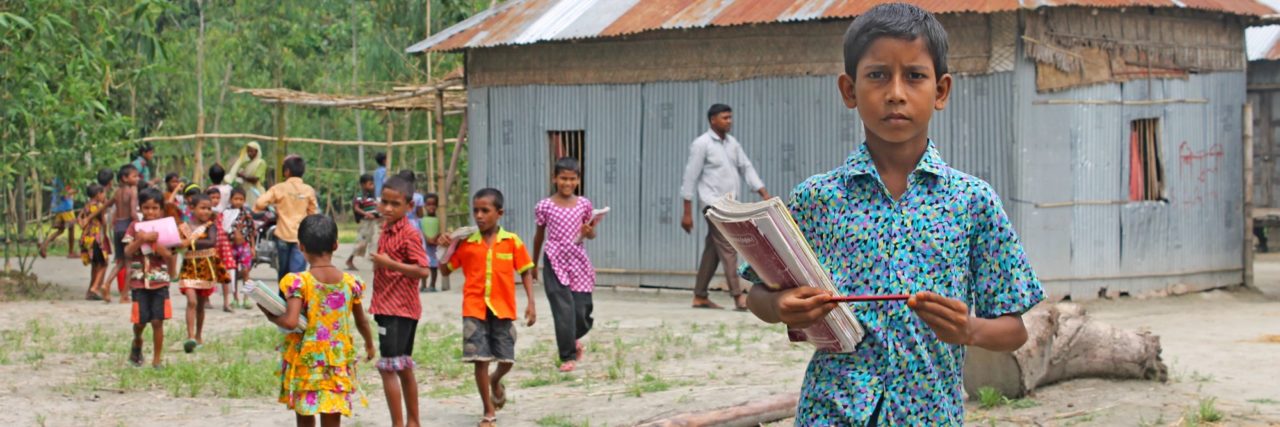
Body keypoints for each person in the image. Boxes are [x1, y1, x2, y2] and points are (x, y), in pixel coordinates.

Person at [742, 4, 1045, 424]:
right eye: (878, 75)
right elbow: (756, 292)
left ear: (941, 91)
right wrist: (779, 306)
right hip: (831, 412)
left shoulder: (972, 201)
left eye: (915, 76)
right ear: (849, 90)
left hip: (930, 415)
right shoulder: (817, 199)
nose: (896, 93)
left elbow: (1014, 329)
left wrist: (968, 330)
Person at [258, 214, 376, 427]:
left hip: (307, 362)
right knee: (332, 418)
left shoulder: (299, 282)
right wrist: (369, 344)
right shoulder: (351, 283)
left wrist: (271, 315)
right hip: (337, 361)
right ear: (336, 245)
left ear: (301, 247)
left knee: (305, 417)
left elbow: (291, 322)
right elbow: (362, 321)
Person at [437, 188, 536, 427]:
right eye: (475, 211)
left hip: (503, 308)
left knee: (506, 359)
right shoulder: (466, 243)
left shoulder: (511, 241)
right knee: (480, 359)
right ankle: (488, 410)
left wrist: (531, 303)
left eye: (485, 210)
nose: (479, 216)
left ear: (499, 213)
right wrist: (445, 247)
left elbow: (525, 270)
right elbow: (445, 270)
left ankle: (496, 380)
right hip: (474, 308)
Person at [680, 103, 771, 311]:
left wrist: (763, 192)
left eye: (730, 117)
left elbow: (746, 167)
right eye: (725, 118)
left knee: (713, 250)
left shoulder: (732, 144)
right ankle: (738, 296)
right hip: (713, 204)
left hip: (730, 205)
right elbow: (690, 177)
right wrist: (687, 212)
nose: (729, 121)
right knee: (729, 246)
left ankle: (700, 296)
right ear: (713, 120)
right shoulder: (702, 144)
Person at [368, 175, 432, 427]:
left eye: (395, 204)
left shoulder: (409, 233)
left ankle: (400, 423)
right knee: (403, 365)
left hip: (397, 308)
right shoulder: (386, 227)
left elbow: (423, 269)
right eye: (384, 202)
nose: (387, 208)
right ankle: (412, 422)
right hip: (389, 306)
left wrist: (389, 264)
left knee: (388, 368)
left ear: (409, 206)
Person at [532, 158, 597, 373]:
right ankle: (567, 356)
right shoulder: (545, 206)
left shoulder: (584, 205)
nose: (567, 183)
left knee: (582, 309)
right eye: (563, 178)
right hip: (554, 258)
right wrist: (533, 263)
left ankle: (573, 337)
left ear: (578, 180)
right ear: (554, 178)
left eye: (572, 179)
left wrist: (590, 233)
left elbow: (591, 233)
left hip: (577, 258)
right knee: (563, 309)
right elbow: (539, 235)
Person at [176, 194, 235, 353]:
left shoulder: (211, 226)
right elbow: (177, 245)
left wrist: (189, 242)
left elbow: (210, 242)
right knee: (192, 301)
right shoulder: (183, 226)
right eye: (202, 208)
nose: (206, 211)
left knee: (201, 306)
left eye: (209, 208)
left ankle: (198, 335)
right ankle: (190, 337)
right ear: (192, 208)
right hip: (189, 268)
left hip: (205, 269)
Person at [123, 187, 174, 367]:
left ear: (161, 209)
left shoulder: (167, 228)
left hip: (159, 281)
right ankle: (137, 340)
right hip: (139, 282)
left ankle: (157, 360)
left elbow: (169, 255)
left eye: (154, 208)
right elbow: (127, 251)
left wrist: (153, 241)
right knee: (140, 321)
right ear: (140, 208)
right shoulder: (134, 227)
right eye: (146, 208)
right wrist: (141, 239)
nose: (150, 212)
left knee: (157, 321)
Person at [254, 155, 318, 280]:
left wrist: (276, 208)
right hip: (301, 237)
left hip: (282, 235)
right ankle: (296, 298)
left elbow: (260, 203)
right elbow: (313, 214)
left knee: (283, 273)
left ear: (287, 171)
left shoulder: (279, 188)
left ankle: (282, 297)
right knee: (297, 275)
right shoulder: (308, 190)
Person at [102, 164, 141, 304]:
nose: (137, 179)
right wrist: (140, 224)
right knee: (130, 262)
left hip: (117, 227)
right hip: (127, 228)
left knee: (120, 261)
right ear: (125, 178)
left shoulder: (117, 192)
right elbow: (132, 213)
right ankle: (124, 294)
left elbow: (108, 206)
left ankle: (106, 284)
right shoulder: (132, 191)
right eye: (134, 176)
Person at [78, 184, 111, 301]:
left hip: (86, 238)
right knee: (104, 263)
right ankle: (95, 288)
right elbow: (103, 221)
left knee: (95, 264)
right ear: (98, 194)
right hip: (95, 238)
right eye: (103, 194)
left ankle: (90, 291)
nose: (104, 196)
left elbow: (80, 218)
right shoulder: (99, 206)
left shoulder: (86, 206)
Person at [345, 174, 381, 271]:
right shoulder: (360, 196)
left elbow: (376, 208)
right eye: (370, 184)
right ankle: (350, 259)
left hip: (374, 222)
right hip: (366, 223)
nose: (372, 186)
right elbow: (356, 208)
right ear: (363, 185)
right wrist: (366, 213)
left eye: (373, 184)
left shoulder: (373, 197)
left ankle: (375, 263)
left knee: (376, 242)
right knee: (361, 243)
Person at [227, 187, 256, 310]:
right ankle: (235, 298)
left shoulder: (247, 215)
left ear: (244, 200)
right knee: (232, 273)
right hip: (231, 246)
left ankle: (246, 298)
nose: (238, 201)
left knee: (245, 272)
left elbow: (251, 233)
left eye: (241, 199)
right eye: (235, 199)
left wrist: (253, 247)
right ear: (230, 199)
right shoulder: (227, 214)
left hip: (244, 247)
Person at [38, 176, 79, 259]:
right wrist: (76, 190)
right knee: (71, 228)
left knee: (61, 230)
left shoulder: (58, 178)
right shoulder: (63, 178)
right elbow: (65, 193)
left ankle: (44, 244)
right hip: (66, 207)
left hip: (59, 207)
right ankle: (71, 252)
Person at [226, 141, 267, 208]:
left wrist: (243, 176)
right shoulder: (245, 163)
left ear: (256, 152)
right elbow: (240, 174)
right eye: (248, 151)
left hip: (256, 191)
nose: (249, 153)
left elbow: (255, 179)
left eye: (251, 151)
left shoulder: (261, 163)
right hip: (246, 190)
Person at [419, 193, 443, 293]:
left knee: (434, 266)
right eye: (428, 204)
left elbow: (439, 231)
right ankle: (423, 285)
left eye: (433, 204)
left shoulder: (438, 220)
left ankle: (432, 285)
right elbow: (421, 231)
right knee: (423, 265)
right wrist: (427, 238)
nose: (431, 207)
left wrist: (435, 238)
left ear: (437, 206)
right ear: (424, 205)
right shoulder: (422, 220)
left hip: (434, 247)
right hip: (424, 246)